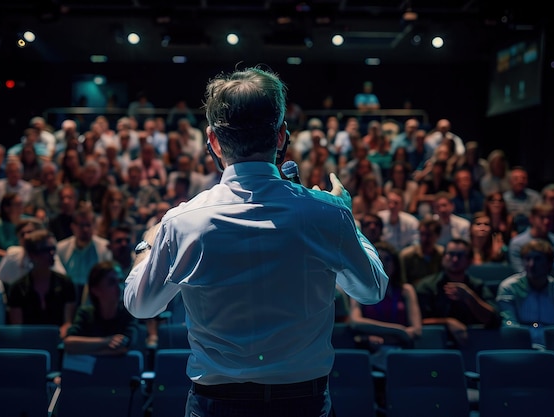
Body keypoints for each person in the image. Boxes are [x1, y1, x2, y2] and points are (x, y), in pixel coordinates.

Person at [124, 66, 388, 417]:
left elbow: (141, 306)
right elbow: (372, 290)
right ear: (281, 136)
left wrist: (147, 245)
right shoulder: (326, 215)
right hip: (303, 404)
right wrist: (346, 217)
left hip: (215, 405)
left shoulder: (183, 222)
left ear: (213, 140)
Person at [349, 241, 422, 369]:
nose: (382, 263)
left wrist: (383, 337)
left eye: (387, 259)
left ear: (395, 264)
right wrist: (398, 331)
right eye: (378, 259)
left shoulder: (406, 290)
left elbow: (416, 330)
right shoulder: (359, 288)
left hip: (401, 352)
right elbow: (356, 322)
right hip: (371, 352)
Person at [415, 238, 501, 346]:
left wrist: (471, 298)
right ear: (443, 258)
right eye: (450, 254)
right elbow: (418, 322)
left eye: (460, 255)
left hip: (473, 344)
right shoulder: (427, 286)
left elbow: (494, 320)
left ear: (469, 260)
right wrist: (447, 322)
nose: (455, 259)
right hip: (436, 344)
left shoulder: (477, 286)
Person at [496, 239, 554, 349]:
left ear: (549, 263)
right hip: (520, 350)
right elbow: (509, 325)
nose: (531, 264)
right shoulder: (509, 287)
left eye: (537, 259)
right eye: (527, 259)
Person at [7, 229, 76, 339]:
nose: (52, 253)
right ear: (32, 254)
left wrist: (58, 337)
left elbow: (67, 323)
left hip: (58, 340)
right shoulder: (18, 288)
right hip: (27, 341)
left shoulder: (65, 283)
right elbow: (17, 327)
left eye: (53, 249)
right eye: (46, 250)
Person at [63, 260, 138, 356]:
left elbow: (123, 349)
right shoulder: (85, 313)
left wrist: (85, 351)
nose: (119, 287)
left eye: (120, 281)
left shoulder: (129, 313)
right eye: (111, 282)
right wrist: (106, 341)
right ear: (96, 290)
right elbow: (69, 343)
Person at [56, 204, 113, 305]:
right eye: (81, 225)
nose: (85, 229)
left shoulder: (104, 248)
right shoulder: (61, 248)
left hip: (94, 299)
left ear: (94, 226)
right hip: (67, 297)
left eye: (88, 225)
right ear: (73, 227)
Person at [507, 202, 554, 279]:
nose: (546, 221)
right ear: (531, 219)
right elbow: (520, 273)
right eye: (542, 217)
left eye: (549, 217)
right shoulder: (517, 244)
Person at [399, 218, 444, 286]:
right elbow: (402, 282)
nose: (424, 238)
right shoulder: (407, 255)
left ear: (438, 236)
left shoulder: (442, 254)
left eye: (429, 235)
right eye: (422, 234)